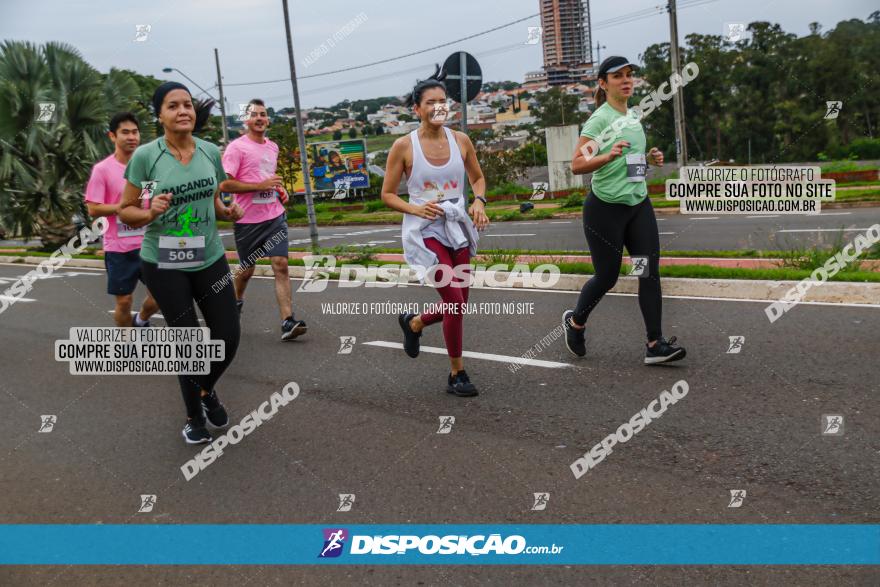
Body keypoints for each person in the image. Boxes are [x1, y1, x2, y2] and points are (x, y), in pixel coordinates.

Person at [118, 82, 245, 444]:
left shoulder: (209, 152)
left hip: (207, 255)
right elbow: (129, 211)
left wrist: (227, 211)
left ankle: (205, 390)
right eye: (173, 106)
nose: (183, 111)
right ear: (160, 115)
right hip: (165, 258)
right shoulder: (147, 158)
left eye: (187, 105)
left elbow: (216, 201)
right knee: (188, 340)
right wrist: (150, 209)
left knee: (228, 333)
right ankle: (194, 419)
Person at [562, 56, 686, 364]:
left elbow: (631, 163)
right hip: (605, 210)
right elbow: (577, 164)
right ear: (603, 84)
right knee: (608, 276)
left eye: (629, 75)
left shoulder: (633, 116)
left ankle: (654, 344)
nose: (627, 80)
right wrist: (606, 156)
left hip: (637, 205)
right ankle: (576, 322)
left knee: (648, 272)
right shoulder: (599, 120)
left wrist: (651, 158)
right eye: (618, 76)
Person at [381, 65, 490, 397]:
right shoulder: (403, 146)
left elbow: (477, 178)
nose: (438, 107)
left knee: (460, 303)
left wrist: (480, 202)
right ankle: (457, 373)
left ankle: (415, 323)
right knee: (455, 301)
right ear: (417, 109)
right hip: (425, 230)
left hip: (457, 224)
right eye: (430, 102)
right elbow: (386, 194)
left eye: (443, 101)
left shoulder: (462, 140)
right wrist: (414, 208)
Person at [218, 98, 307, 341]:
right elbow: (225, 183)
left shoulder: (273, 147)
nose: (259, 118)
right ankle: (234, 305)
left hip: (274, 215)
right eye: (254, 114)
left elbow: (268, 178)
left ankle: (287, 321)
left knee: (281, 264)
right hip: (248, 220)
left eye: (263, 114)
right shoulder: (236, 148)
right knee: (246, 271)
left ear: (268, 119)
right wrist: (259, 185)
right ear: (246, 120)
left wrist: (278, 190)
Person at [84, 112, 159, 327]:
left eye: (134, 132)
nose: (131, 137)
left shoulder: (148, 167)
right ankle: (127, 342)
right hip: (118, 248)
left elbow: (148, 200)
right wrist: (123, 208)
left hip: (149, 244)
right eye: (125, 132)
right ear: (112, 136)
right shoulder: (102, 170)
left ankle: (142, 320)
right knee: (124, 301)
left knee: (161, 296)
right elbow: (93, 209)